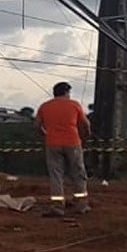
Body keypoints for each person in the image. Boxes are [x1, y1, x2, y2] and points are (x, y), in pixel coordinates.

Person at [35, 81, 92, 217]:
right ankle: (81, 205)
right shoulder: (74, 105)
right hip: (73, 142)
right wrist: (86, 136)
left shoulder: (45, 106)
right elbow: (85, 124)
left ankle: (57, 207)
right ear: (66, 92)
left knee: (56, 175)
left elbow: (36, 125)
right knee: (78, 173)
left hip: (52, 144)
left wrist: (46, 135)